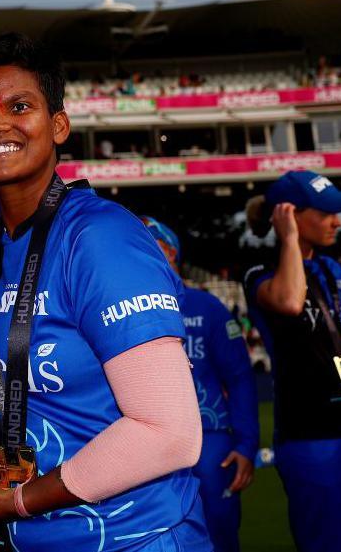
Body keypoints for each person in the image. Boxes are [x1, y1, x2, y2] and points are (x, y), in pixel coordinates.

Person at [0, 33, 210, 552]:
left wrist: (16, 502)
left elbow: (170, 432)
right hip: (32, 538)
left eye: (19, 106)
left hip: (133, 538)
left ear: (59, 125)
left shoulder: (100, 237)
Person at [243, 170, 341, 552]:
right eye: (326, 212)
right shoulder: (259, 273)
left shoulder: (332, 270)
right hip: (312, 434)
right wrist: (290, 239)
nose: (337, 221)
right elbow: (292, 302)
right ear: (289, 215)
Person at [142, 216, 259, 552]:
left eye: (150, 245)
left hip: (211, 442)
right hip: (148, 445)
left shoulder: (208, 307)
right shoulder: (124, 309)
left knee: (220, 535)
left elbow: (239, 377)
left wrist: (247, 444)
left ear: (171, 251)